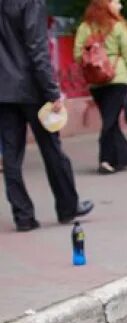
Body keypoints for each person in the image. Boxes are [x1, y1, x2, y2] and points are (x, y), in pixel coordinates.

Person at [0, 0, 93, 231]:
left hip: (3, 90)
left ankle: (23, 216)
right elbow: (37, 48)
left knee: (11, 156)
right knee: (52, 148)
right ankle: (68, 206)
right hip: (32, 89)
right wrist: (52, 93)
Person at [74, 0, 127, 175]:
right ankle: (106, 160)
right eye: (116, 2)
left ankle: (124, 154)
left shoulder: (84, 28)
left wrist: (93, 58)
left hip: (95, 81)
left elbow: (78, 56)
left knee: (110, 118)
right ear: (106, 4)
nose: (120, 6)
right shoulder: (118, 27)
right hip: (118, 79)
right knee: (110, 120)